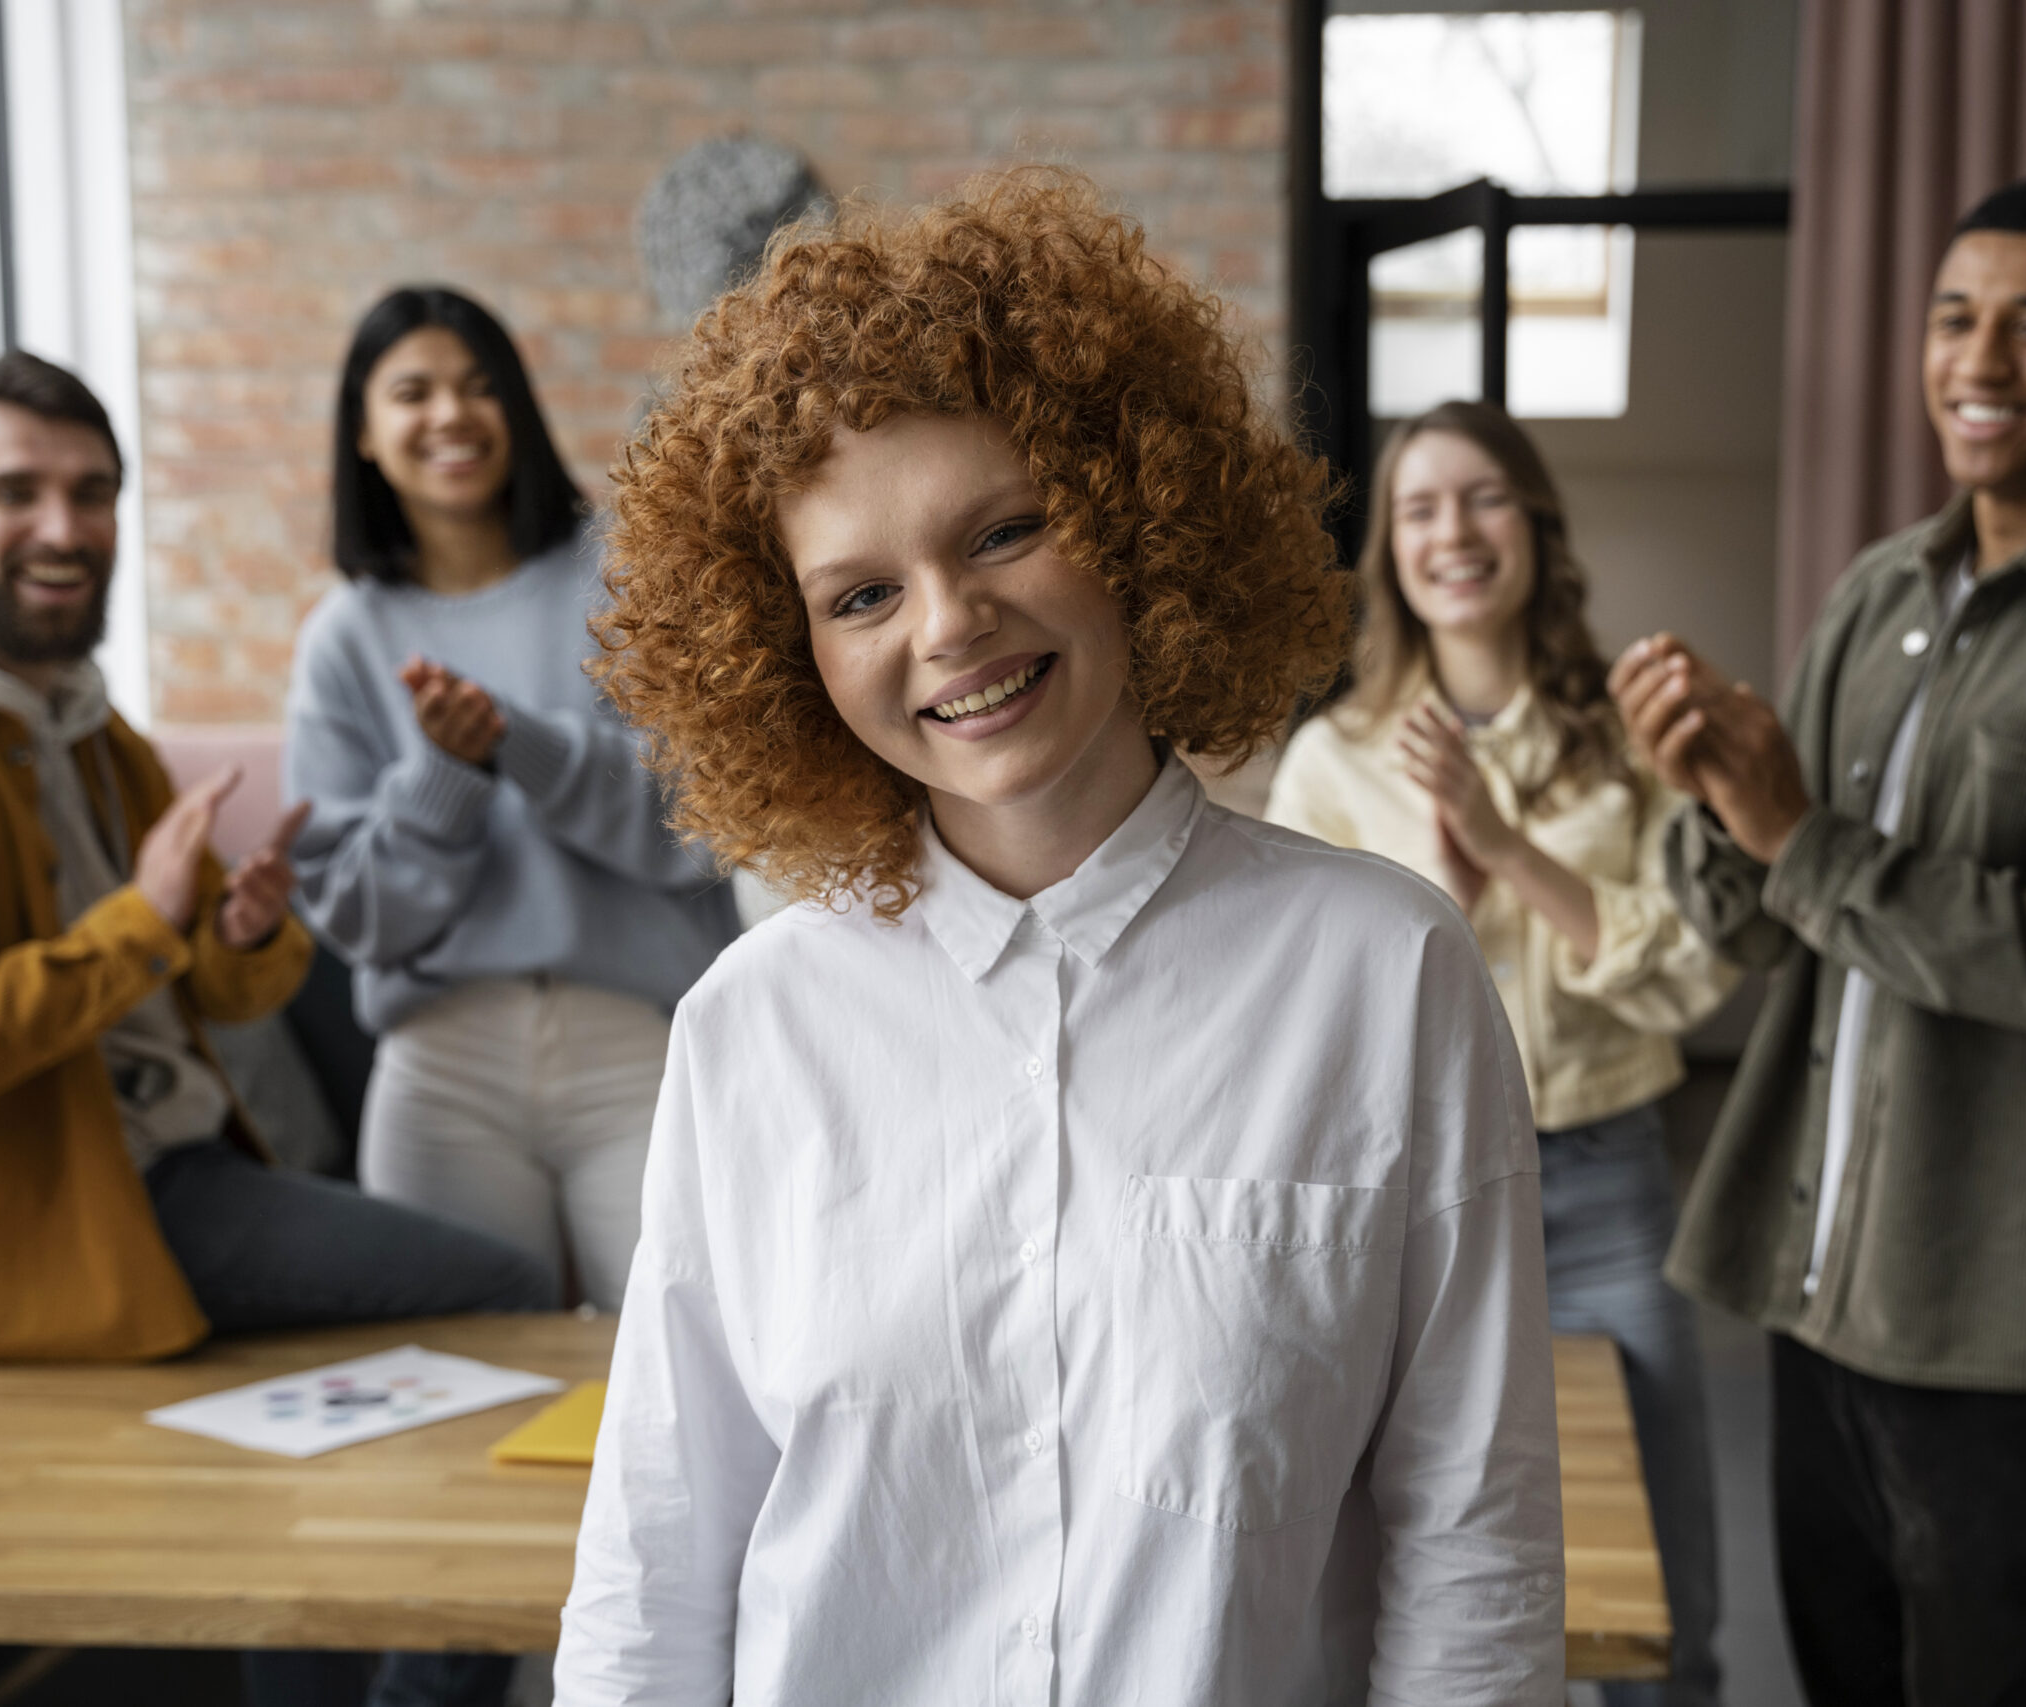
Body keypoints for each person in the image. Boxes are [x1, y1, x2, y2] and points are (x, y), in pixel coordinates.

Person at [554, 170, 1567, 1704]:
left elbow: (1470, 1545)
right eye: (861, 592)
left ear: (1142, 524)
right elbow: (659, 1557)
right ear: (788, 652)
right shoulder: (750, 1026)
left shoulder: (1385, 974)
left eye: (1009, 527)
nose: (946, 623)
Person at [1611, 176, 2026, 1706]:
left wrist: (1798, 832)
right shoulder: (1881, 589)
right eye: (1952, 317)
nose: (1978, 360)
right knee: (1843, 1678)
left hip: (2014, 1322)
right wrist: (1717, 796)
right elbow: (1763, 921)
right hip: (1821, 1280)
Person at [0, 350, 556, 1707]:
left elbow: (218, 995)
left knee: (368, 1390)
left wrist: (239, 934)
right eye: (16, 491)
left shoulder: (91, 727)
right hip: (67, 1214)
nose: (64, 526)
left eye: (91, 492)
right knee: (510, 1296)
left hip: (173, 1174)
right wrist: (146, 923)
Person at [1266, 399, 1736, 1707]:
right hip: (1404, 1211)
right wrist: (1451, 890)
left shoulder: (1636, 737)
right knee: (1411, 1580)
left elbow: (1689, 976)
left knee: (1662, 1610)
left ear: (1533, 522)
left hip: (1602, 1194)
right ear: (1390, 553)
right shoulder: (1331, 761)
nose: (1451, 532)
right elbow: (1318, 1019)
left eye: (1480, 497)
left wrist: (1507, 844)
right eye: (1419, 507)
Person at [285, 287, 737, 1313]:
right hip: (442, 1065)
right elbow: (357, 915)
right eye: (413, 392)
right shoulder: (342, 641)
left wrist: (518, 747)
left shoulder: (622, 580)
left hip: (640, 1041)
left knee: (690, 1353)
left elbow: (701, 822)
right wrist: (447, 778)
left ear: (517, 410)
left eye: (479, 386)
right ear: (363, 431)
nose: (450, 414)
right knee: (454, 1375)